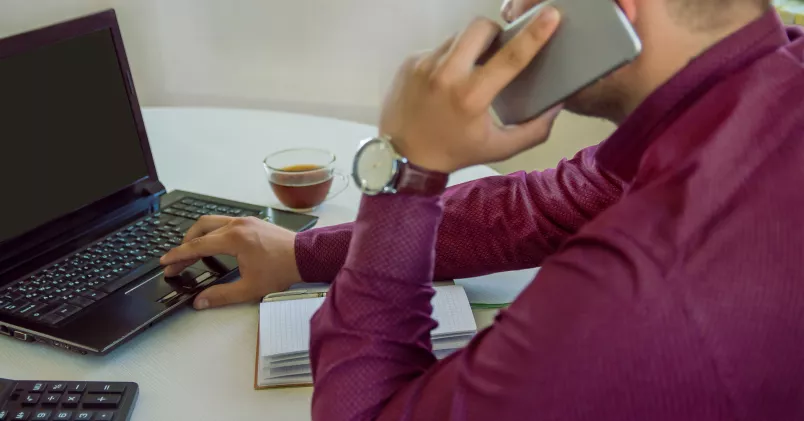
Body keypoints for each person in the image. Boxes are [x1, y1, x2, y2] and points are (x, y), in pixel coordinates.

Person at [162, 0, 804, 418]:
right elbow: (550, 205)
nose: (508, 14)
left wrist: (405, 171)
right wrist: (301, 253)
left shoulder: (649, 286)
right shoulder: (770, 79)